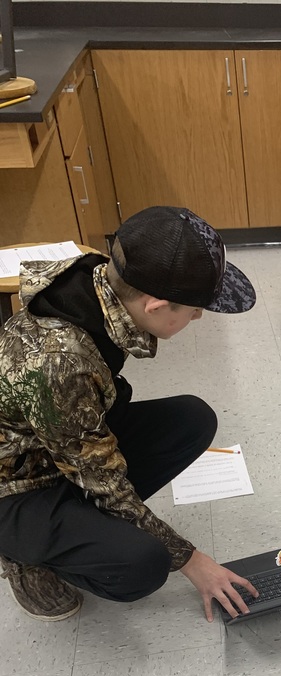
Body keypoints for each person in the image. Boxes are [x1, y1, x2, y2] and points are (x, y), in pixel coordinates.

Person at [0, 205, 260, 623]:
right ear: (156, 306)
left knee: (192, 420)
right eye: (194, 310)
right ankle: (23, 557)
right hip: (14, 485)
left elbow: (91, 449)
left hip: (61, 441)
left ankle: (81, 523)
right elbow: (103, 482)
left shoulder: (102, 280)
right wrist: (193, 560)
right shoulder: (60, 363)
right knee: (143, 565)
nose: (196, 317)